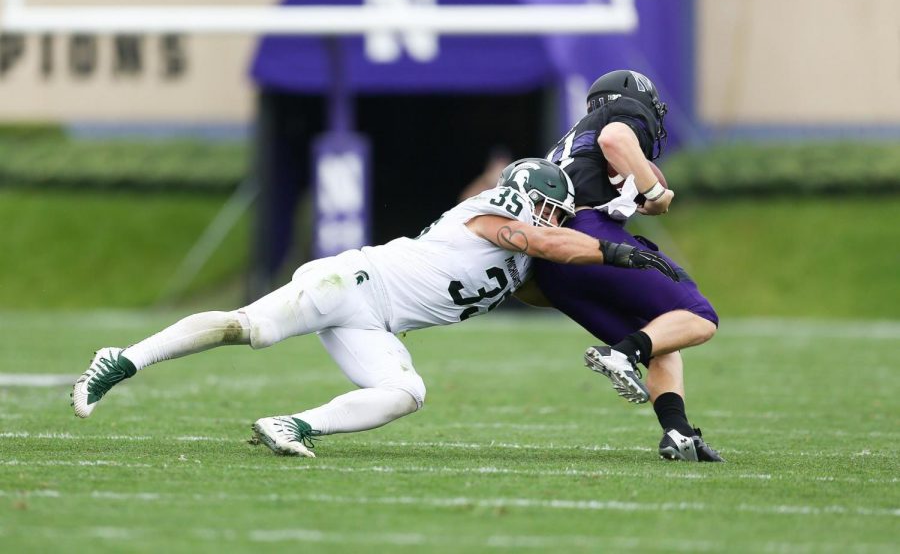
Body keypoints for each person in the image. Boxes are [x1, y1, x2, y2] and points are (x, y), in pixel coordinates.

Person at [71, 159, 679, 458]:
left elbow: (552, 286)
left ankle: (293, 425)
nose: (551, 221)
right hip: (352, 280)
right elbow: (548, 241)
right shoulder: (487, 214)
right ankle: (120, 360)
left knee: (406, 392)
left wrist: (628, 313)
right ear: (519, 198)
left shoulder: (523, 262)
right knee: (246, 328)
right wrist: (619, 255)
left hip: (376, 322)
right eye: (546, 209)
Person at [531, 70, 724, 462]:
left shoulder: (570, 141)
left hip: (550, 262)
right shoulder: (620, 115)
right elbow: (615, 139)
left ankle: (678, 433)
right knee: (698, 316)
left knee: (662, 335)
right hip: (589, 234)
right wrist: (654, 194)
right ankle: (623, 353)